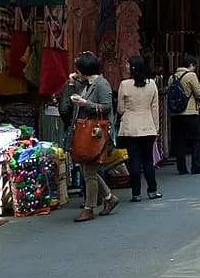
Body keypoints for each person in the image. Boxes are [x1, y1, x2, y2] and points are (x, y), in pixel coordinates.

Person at [66, 52, 118, 222]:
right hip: (85, 132)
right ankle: (109, 198)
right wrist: (72, 83)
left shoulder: (101, 84)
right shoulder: (86, 83)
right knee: (88, 170)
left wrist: (85, 104)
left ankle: (89, 208)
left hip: (95, 133)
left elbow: (107, 108)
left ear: (84, 69)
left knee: (89, 171)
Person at [116, 55, 162, 202]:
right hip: (148, 126)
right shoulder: (152, 84)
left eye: (128, 64)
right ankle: (152, 190)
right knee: (148, 160)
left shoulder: (124, 85)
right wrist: (156, 127)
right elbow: (155, 108)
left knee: (134, 161)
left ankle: (136, 193)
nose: (126, 67)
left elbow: (120, 109)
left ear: (133, 67)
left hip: (130, 127)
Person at [169, 53, 200, 174]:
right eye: (194, 66)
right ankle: (196, 166)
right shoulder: (191, 76)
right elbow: (199, 93)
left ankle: (181, 168)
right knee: (197, 139)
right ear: (191, 65)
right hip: (190, 112)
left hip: (176, 114)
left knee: (180, 141)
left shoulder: (172, 77)